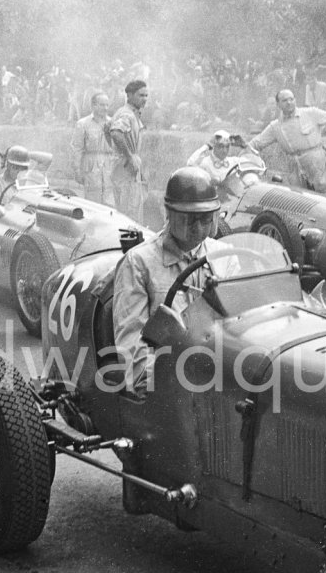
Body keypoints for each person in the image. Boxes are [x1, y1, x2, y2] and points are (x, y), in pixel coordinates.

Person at [113, 167, 229, 393]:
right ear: (169, 213)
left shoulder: (226, 256)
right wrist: (161, 387)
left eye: (206, 219)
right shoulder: (138, 263)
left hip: (221, 372)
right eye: (189, 219)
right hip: (171, 385)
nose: (198, 227)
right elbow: (132, 349)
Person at [246, 89, 326, 197]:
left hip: (317, 164)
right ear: (278, 104)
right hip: (297, 168)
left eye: (291, 99)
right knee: (301, 199)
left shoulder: (310, 113)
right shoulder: (276, 126)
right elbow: (256, 143)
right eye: (284, 100)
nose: (289, 102)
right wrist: (241, 147)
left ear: (295, 100)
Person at [108, 80, 148, 214]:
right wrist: (129, 156)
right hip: (124, 169)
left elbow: (108, 129)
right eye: (140, 95)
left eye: (146, 96)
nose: (144, 99)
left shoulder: (133, 114)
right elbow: (115, 132)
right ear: (129, 95)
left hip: (129, 167)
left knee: (134, 207)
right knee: (127, 212)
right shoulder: (126, 114)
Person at [70, 92, 116, 205]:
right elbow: (77, 149)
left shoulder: (113, 123)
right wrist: (77, 170)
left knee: (110, 203)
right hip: (91, 168)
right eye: (101, 105)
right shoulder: (83, 124)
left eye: (107, 105)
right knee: (93, 203)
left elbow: (118, 148)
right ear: (93, 106)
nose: (105, 108)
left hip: (109, 167)